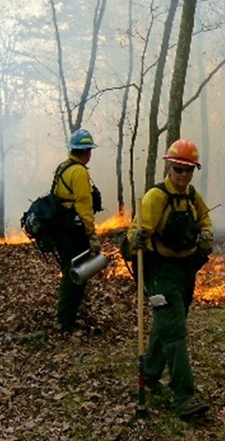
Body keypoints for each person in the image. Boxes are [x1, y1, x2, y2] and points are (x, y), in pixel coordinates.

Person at [123, 138, 214, 420]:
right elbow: (131, 238)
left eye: (189, 170)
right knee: (174, 331)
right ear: (168, 167)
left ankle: (150, 375)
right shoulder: (155, 198)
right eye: (178, 169)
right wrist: (134, 239)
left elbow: (205, 220)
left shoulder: (191, 196)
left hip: (186, 271)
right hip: (160, 273)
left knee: (168, 325)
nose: (183, 176)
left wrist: (207, 235)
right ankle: (183, 396)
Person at [52, 128, 102, 334]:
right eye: (89, 150)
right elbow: (84, 206)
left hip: (62, 230)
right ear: (86, 151)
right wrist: (91, 234)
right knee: (76, 276)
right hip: (74, 232)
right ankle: (66, 323)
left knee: (71, 272)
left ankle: (68, 317)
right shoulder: (79, 172)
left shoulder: (63, 167)